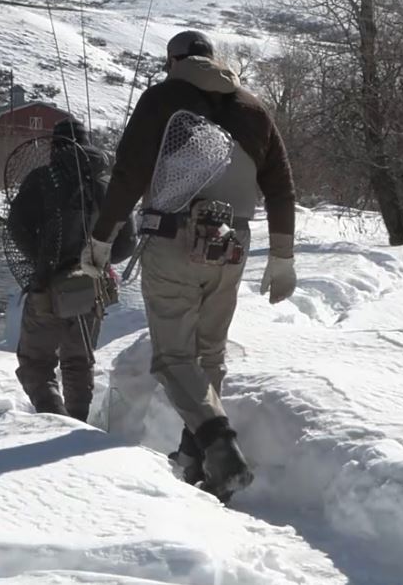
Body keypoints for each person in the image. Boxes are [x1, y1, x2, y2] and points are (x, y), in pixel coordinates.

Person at [83, 30, 297, 501]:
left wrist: (101, 238)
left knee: (175, 357)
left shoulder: (163, 99)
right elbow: (280, 186)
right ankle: (195, 458)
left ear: (174, 60)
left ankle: (221, 450)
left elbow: (129, 173)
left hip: (173, 239)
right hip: (233, 247)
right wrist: (283, 255)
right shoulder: (254, 108)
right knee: (210, 354)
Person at [8, 118, 134, 422]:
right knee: (78, 362)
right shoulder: (108, 185)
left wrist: (41, 261)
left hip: (46, 288)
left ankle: (55, 420)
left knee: (35, 364)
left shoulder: (41, 179)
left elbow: (16, 228)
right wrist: (97, 262)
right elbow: (126, 246)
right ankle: (76, 426)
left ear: (55, 147)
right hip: (92, 289)